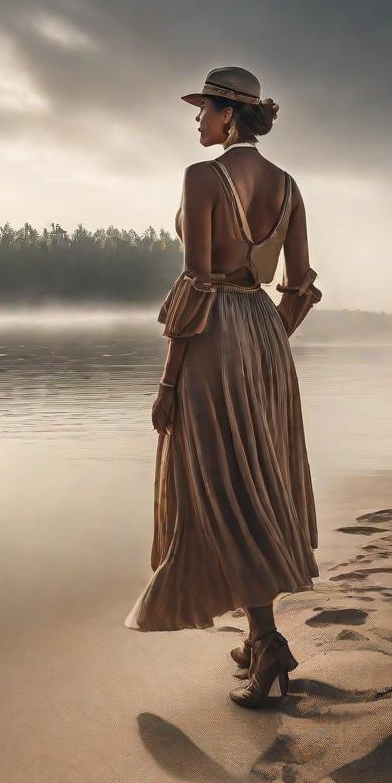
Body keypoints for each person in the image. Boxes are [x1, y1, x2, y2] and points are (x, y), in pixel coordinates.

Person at [124, 66, 323, 710]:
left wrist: (168, 380)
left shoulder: (201, 177)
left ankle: (266, 641)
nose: (197, 121)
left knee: (219, 484)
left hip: (215, 336)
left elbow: (198, 284)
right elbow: (299, 286)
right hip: (265, 337)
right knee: (253, 478)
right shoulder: (289, 186)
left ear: (228, 116)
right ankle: (258, 633)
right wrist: (268, 345)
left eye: (203, 110)